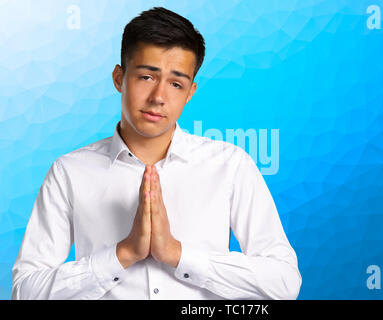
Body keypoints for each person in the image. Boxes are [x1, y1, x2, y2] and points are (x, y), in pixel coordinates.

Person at [12, 7, 301, 300]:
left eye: (176, 84)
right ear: (118, 78)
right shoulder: (69, 171)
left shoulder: (230, 165)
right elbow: (25, 291)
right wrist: (123, 254)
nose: (158, 97)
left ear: (190, 93)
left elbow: (284, 283)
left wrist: (177, 254)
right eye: (147, 77)